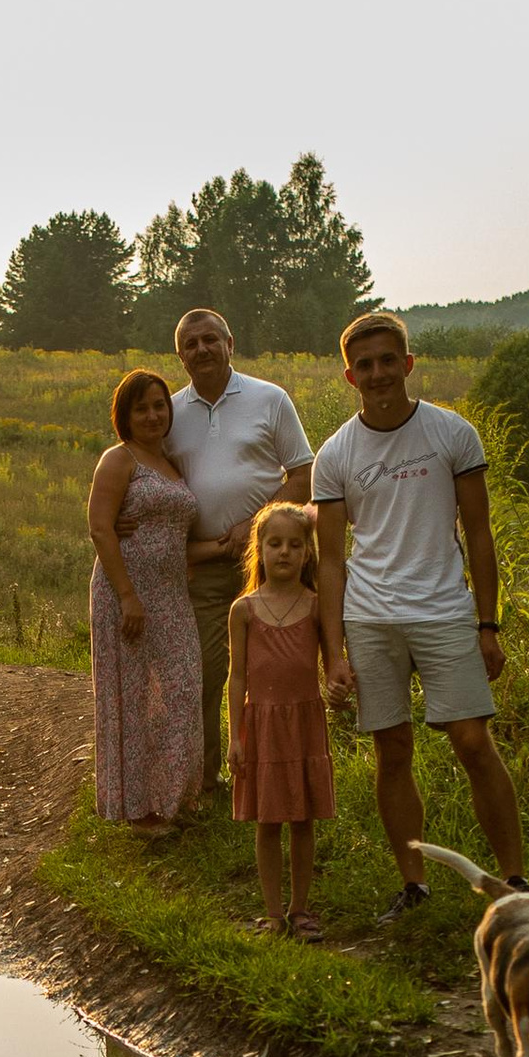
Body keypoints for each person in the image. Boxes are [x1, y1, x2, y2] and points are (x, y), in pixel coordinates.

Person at [311, 309, 524, 918]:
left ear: (406, 365)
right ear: (349, 376)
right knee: (393, 751)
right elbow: (330, 563)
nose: (377, 374)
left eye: (387, 361)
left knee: (472, 741)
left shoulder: (452, 434)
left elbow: (479, 536)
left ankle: (515, 882)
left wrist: (489, 625)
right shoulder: (336, 454)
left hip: (444, 611)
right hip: (371, 617)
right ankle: (414, 885)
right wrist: (334, 653)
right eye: (364, 365)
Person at [169, 308, 313, 791]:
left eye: (210, 340)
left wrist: (254, 527)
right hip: (204, 569)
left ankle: (277, 777)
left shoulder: (269, 398)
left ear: (231, 343)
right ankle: (206, 782)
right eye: (191, 345)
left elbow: (302, 474)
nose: (202, 350)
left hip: (274, 568)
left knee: (276, 674)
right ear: (180, 355)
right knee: (207, 676)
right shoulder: (170, 412)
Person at [87, 370, 204, 832]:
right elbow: (99, 528)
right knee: (132, 700)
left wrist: (235, 542)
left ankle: (176, 799)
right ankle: (140, 812)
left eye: (160, 405)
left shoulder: (173, 465)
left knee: (181, 693)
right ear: (125, 416)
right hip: (125, 596)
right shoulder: (120, 460)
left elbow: (175, 537)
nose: (153, 415)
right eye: (142, 408)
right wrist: (128, 595)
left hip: (173, 596)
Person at [226, 499, 338, 938]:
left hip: (305, 725)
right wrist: (236, 735)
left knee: (303, 820)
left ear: (308, 552)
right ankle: (272, 913)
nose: (285, 552)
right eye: (275, 543)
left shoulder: (316, 606)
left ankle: (301, 909)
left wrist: (341, 688)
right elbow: (236, 678)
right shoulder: (244, 610)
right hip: (263, 727)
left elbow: (334, 663)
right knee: (268, 822)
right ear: (260, 548)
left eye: (295, 544)